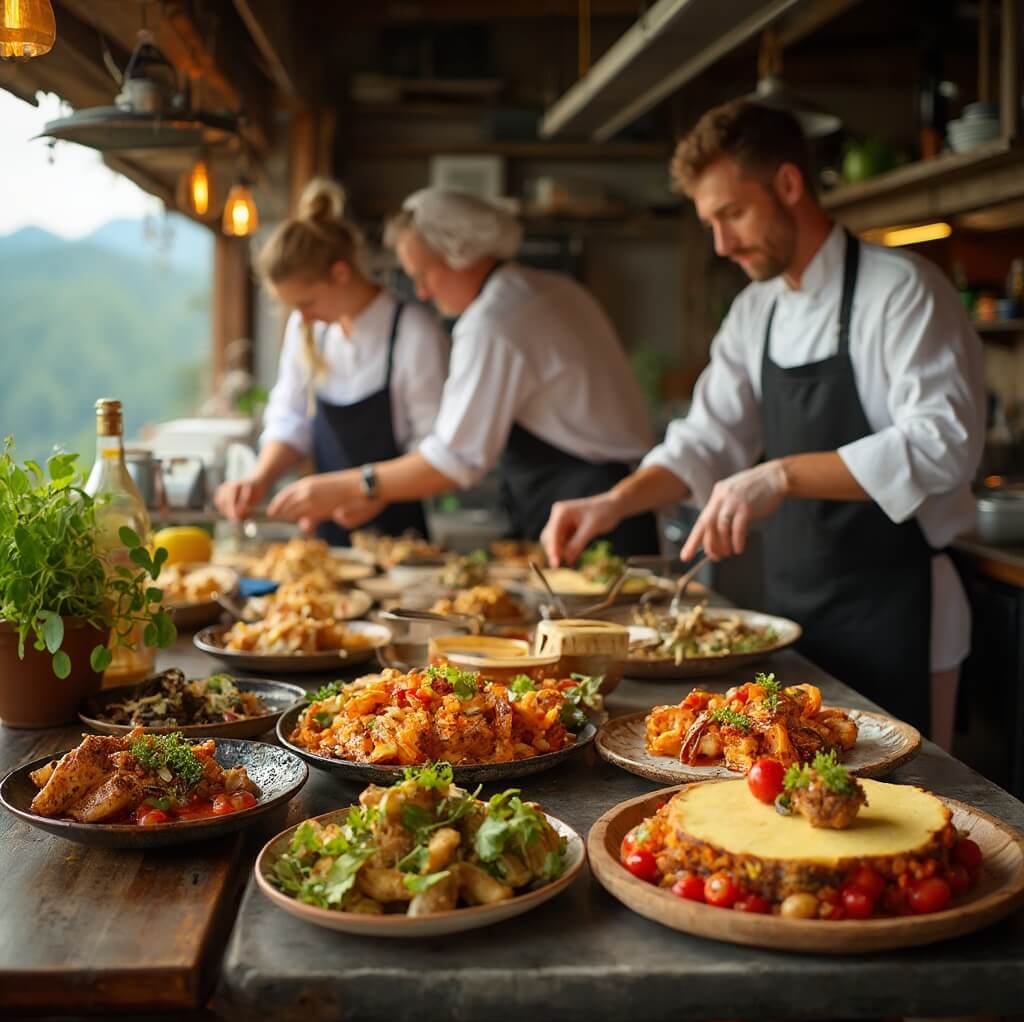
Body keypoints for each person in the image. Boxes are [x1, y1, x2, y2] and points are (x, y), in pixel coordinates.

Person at [541, 100, 984, 745]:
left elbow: (943, 444)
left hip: (897, 610)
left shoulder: (902, 291)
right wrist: (614, 502)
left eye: (733, 214)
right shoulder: (757, 310)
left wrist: (778, 475)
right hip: (793, 616)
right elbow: (708, 437)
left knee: (910, 787)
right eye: (709, 223)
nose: (721, 244)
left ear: (788, 184)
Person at [266, 187, 659, 556]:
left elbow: (455, 458)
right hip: (602, 500)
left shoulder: (495, 321)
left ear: (461, 254)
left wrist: (353, 486)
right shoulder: (550, 288)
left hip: (592, 510)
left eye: (424, 275)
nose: (422, 292)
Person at [214, 178, 449, 545]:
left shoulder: (413, 333)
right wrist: (259, 479)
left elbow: (433, 448)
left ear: (340, 274)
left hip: (400, 540)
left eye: (307, 303)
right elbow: (290, 419)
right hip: (324, 535)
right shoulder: (308, 327)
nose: (303, 317)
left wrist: (374, 493)